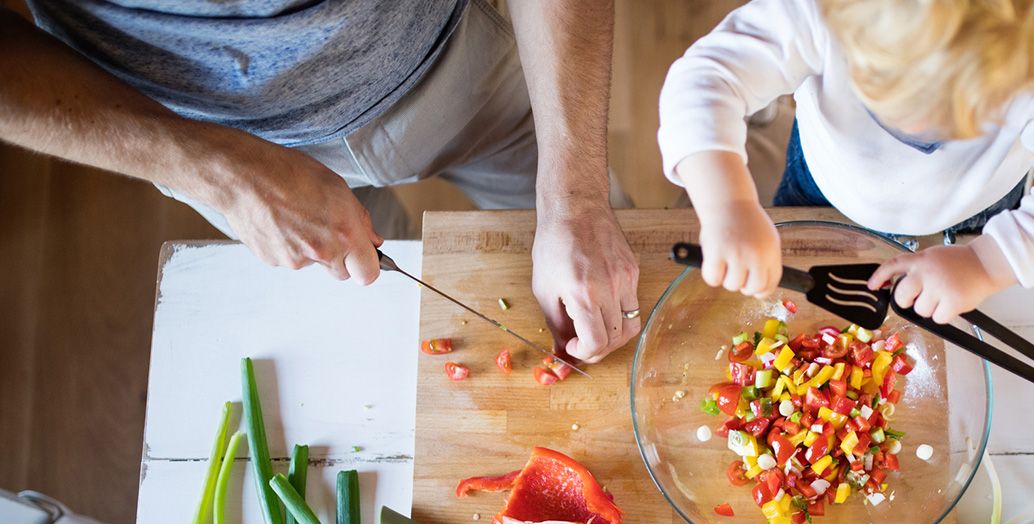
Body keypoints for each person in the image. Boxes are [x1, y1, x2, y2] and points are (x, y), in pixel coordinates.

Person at [0, 0, 640, 363]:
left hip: (454, 61)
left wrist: (575, 200)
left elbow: (578, 208)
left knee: (604, 280)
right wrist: (221, 174)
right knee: (391, 338)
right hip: (208, 139)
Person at [657, 0, 1034, 325]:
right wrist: (729, 207)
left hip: (977, 212)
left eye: (964, 112)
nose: (919, 127)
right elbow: (707, 77)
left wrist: (986, 264)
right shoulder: (823, 10)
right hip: (823, 184)